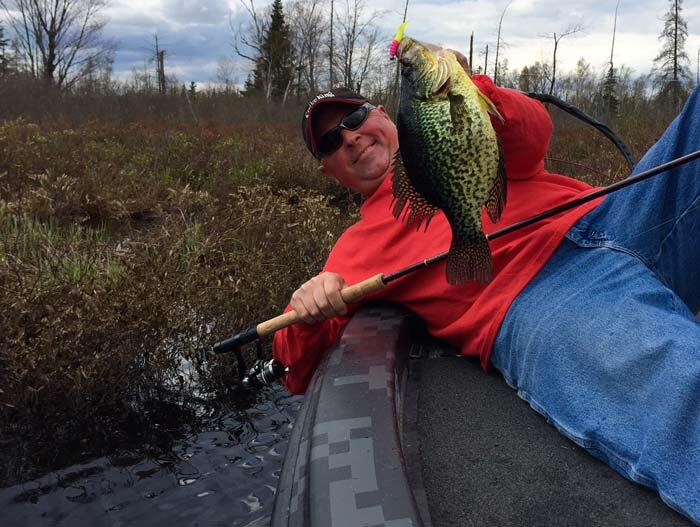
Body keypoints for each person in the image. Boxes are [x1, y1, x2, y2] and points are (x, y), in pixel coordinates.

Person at [272, 76, 700, 522]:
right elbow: (294, 370)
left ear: (383, 114)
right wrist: (306, 312)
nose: (350, 136)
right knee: (685, 384)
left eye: (355, 117)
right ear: (328, 170)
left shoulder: (461, 133)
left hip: (615, 213)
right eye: (330, 141)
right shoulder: (354, 250)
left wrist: (471, 88)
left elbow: (534, 134)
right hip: (543, 297)